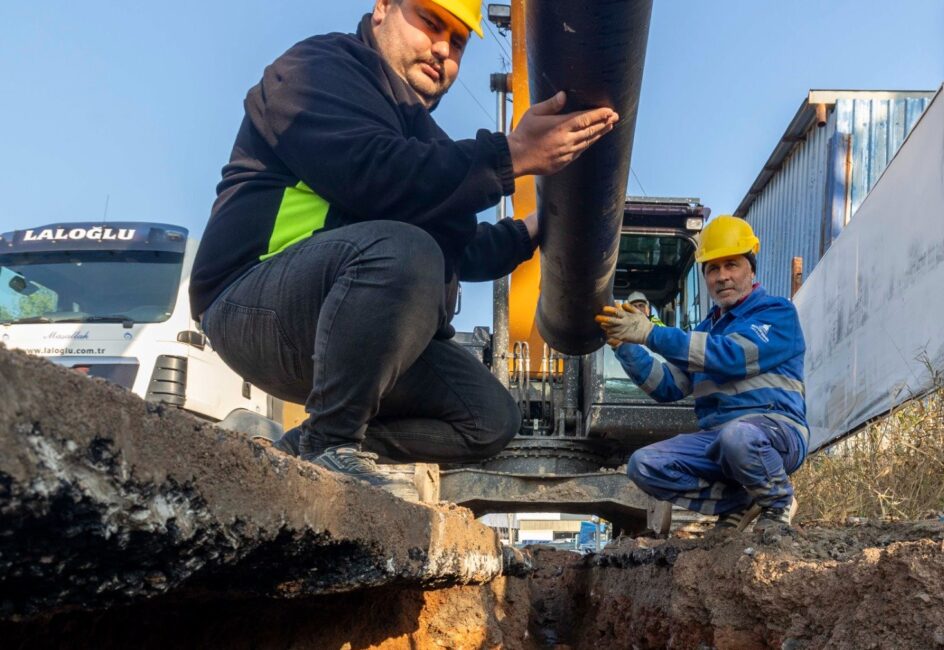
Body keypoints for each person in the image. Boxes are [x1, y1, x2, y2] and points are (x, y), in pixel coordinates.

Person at [189, 0, 619, 496]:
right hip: (255, 305)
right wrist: (510, 156)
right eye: (430, 22)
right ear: (382, 9)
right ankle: (332, 443)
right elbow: (371, 175)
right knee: (408, 251)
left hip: (352, 327)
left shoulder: (421, 138)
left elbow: (463, 246)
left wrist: (534, 229)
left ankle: (307, 448)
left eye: (457, 42)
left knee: (487, 416)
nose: (442, 49)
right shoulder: (316, 70)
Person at [596, 216, 808, 537]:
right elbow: (666, 386)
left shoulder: (777, 314)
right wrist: (625, 346)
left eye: (731, 265)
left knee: (738, 437)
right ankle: (736, 503)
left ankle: (777, 502)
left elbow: (730, 357)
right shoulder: (705, 330)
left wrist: (651, 333)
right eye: (712, 268)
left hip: (774, 433)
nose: (722, 276)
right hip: (720, 442)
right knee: (643, 464)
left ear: (751, 269)